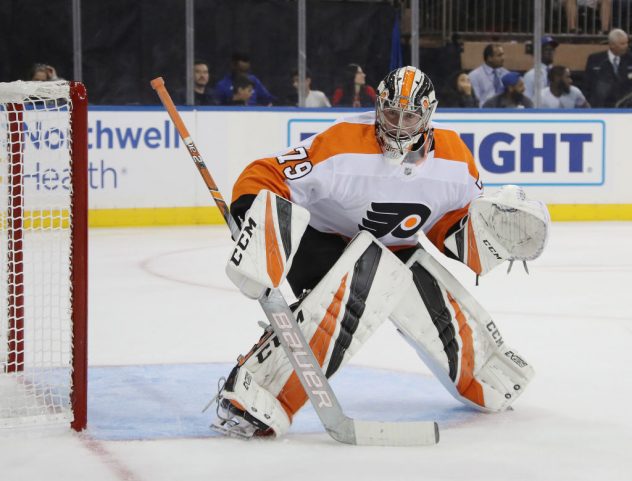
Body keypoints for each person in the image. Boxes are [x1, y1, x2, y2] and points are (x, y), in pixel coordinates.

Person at [210, 66, 548, 439]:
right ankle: (260, 389)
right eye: (391, 114)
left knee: (417, 284)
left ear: (429, 114)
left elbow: (448, 224)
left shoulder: (456, 160)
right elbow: (266, 173)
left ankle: (480, 375)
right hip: (321, 241)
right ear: (378, 107)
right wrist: (248, 213)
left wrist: (482, 237)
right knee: (367, 278)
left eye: (411, 116)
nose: (399, 126)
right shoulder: (341, 143)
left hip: (394, 247)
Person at [583, 28, 632, 107]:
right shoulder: (595, 59)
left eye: (627, 43)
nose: (626, 46)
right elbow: (587, 84)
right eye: (622, 44)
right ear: (612, 45)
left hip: (625, 108)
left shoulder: (630, 59)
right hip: (600, 108)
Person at [523, 36, 559, 100]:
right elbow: (527, 100)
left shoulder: (559, 73)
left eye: (552, 49)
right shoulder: (530, 75)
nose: (550, 52)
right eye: (546, 49)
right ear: (538, 52)